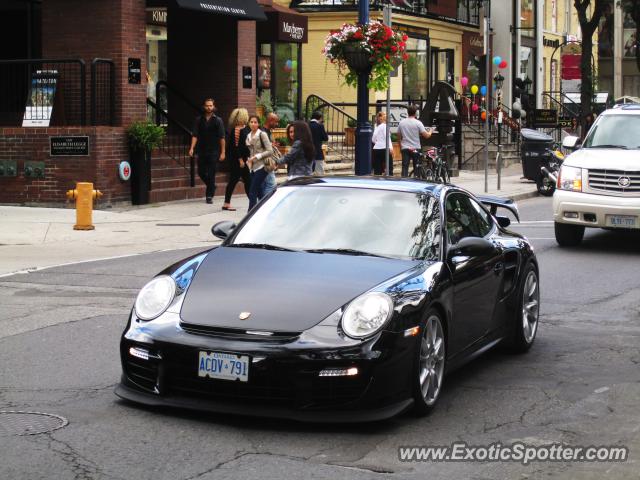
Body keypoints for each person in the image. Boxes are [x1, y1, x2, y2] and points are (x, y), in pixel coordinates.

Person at [189, 98, 225, 203]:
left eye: (211, 105)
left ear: (213, 107)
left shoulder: (218, 120)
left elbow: (222, 137)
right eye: (207, 105)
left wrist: (223, 152)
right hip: (202, 150)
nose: (209, 107)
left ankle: (209, 196)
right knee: (201, 172)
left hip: (214, 151)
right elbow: (195, 135)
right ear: (204, 107)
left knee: (211, 173)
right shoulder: (199, 120)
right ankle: (212, 186)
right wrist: (192, 148)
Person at [222, 108, 251, 211]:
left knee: (243, 181)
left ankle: (227, 203)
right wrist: (240, 160)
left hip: (242, 159)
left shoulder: (244, 128)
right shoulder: (237, 130)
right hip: (237, 160)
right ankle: (253, 203)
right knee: (242, 181)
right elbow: (236, 147)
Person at [246, 115, 274, 210]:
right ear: (248, 123)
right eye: (251, 122)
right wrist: (249, 160)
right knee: (259, 192)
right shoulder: (248, 136)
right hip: (252, 167)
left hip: (262, 166)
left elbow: (270, 151)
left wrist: (257, 156)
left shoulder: (262, 134)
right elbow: (250, 151)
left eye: (255, 122)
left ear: (258, 124)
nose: (253, 124)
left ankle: (250, 213)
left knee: (252, 191)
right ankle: (266, 210)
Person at [397, 105, 432, 177]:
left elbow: (399, 137)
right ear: (416, 113)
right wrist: (431, 131)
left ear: (408, 112)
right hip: (415, 148)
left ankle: (403, 181)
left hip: (405, 148)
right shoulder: (418, 123)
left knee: (404, 166)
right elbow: (426, 136)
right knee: (417, 167)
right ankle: (416, 181)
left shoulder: (401, 123)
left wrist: (401, 147)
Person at [371, 111, 393, 176]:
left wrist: (378, 143)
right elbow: (387, 137)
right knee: (389, 168)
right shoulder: (385, 126)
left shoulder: (377, 127)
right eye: (385, 114)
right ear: (382, 118)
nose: (386, 115)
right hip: (385, 149)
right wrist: (391, 147)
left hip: (376, 149)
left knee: (377, 169)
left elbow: (373, 139)